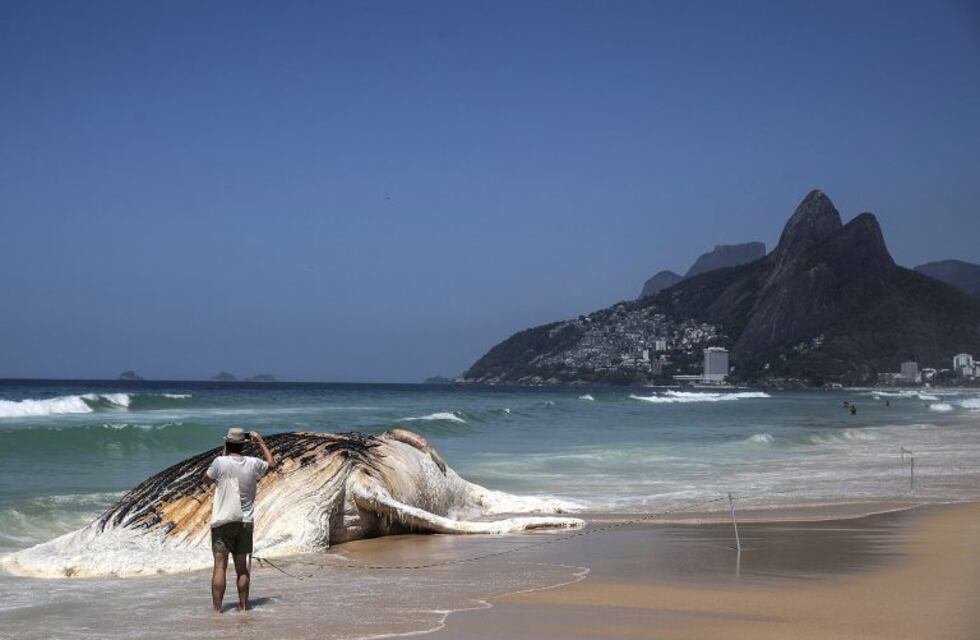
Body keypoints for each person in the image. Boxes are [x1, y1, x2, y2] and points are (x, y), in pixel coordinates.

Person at [203, 427, 276, 613]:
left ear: (227, 443)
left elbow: (206, 480)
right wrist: (260, 442)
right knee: (242, 568)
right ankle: (244, 607)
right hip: (245, 521)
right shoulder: (252, 463)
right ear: (243, 445)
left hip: (223, 520)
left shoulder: (220, 462)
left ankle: (217, 610)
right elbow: (272, 464)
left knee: (220, 566)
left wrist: (223, 454)